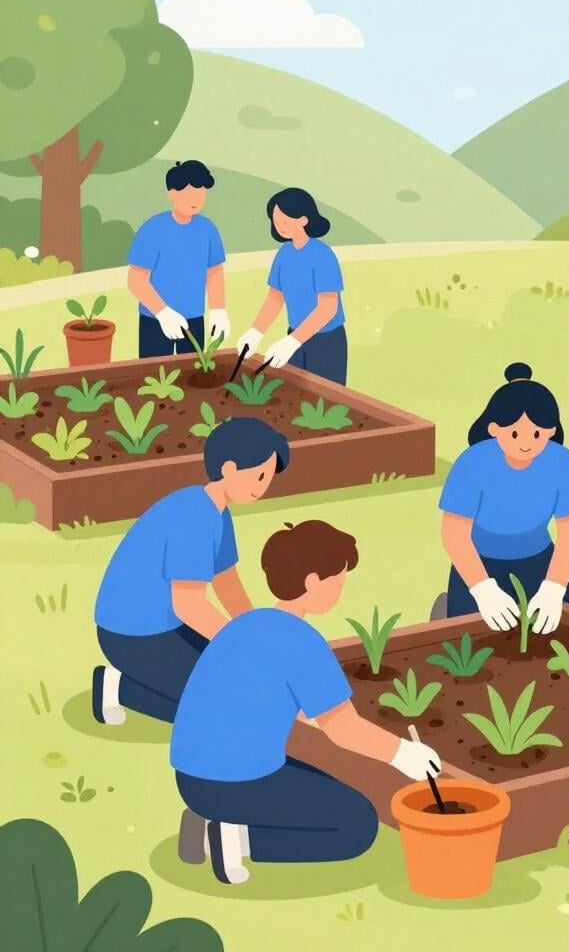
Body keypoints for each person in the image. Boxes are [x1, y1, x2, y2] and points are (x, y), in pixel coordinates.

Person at [171, 520, 440, 885]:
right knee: (358, 823)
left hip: (190, 779)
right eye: (338, 583)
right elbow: (343, 729)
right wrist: (402, 754)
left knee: (313, 780)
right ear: (313, 581)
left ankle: (207, 820)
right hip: (238, 783)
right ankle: (236, 839)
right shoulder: (302, 642)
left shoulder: (244, 625)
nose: (340, 592)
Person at [91, 418, 289, 726]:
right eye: (259, 475)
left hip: (169, 625)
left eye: (268, 477)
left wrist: (254, 633)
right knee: (221, 708)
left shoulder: (219, 515)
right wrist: (238, 644)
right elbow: (189, 605)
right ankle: (117, 689)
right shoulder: (195, 516)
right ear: (228, 468)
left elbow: (228, 585)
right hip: (132, 633)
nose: (262, 486)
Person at [437, 362, 569, 634]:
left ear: (551, 431)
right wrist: (482, 589)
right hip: (479, 561)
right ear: (494, 428)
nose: (527, 443)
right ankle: (445, 609)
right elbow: (454, 533)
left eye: (538, 434)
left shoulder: (562, 463)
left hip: (539, 560)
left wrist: (554, 587)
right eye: (516, 433)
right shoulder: (472, 463)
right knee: (468, 638)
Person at [237, 188, 347, 385]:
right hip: (295, 335)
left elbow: (328, 307)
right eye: (276, 222)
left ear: (304, 219)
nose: (280, 226)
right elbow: (275, 297)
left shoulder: (322, 255)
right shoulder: (283, 254)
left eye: (285, 221)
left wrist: (293, 341)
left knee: (326, 404)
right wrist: (256, 331)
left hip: (326, 341)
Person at [127, 160, 230, 358]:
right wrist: (163, 312)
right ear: (172, 192)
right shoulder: (153, 229)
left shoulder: (208, 229)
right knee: (154, 376)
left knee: (191, 375)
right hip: (155, 320)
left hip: (193, 319)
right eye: (190, 192)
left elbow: (214, 272)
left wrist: (218, 310)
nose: (196, 199)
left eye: (201, 193)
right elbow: (136, 280)